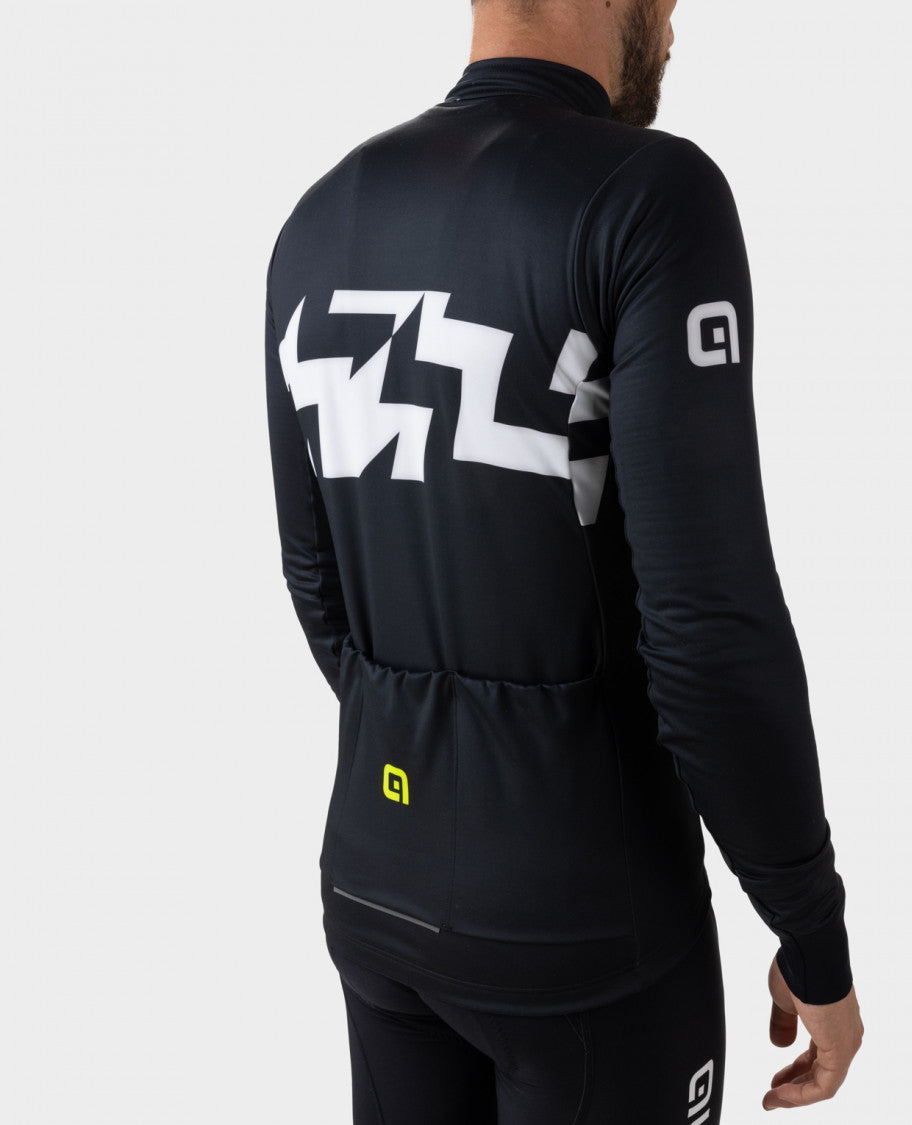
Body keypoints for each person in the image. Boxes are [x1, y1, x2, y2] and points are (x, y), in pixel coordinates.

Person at [263, 0, 864, 1119]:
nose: (674, 22)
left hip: (375, 889)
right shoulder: (653, 196)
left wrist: (440, 775)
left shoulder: (320, 215)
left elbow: (316, 582)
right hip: (591, 926)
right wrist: (809, 928)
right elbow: (707, 625)